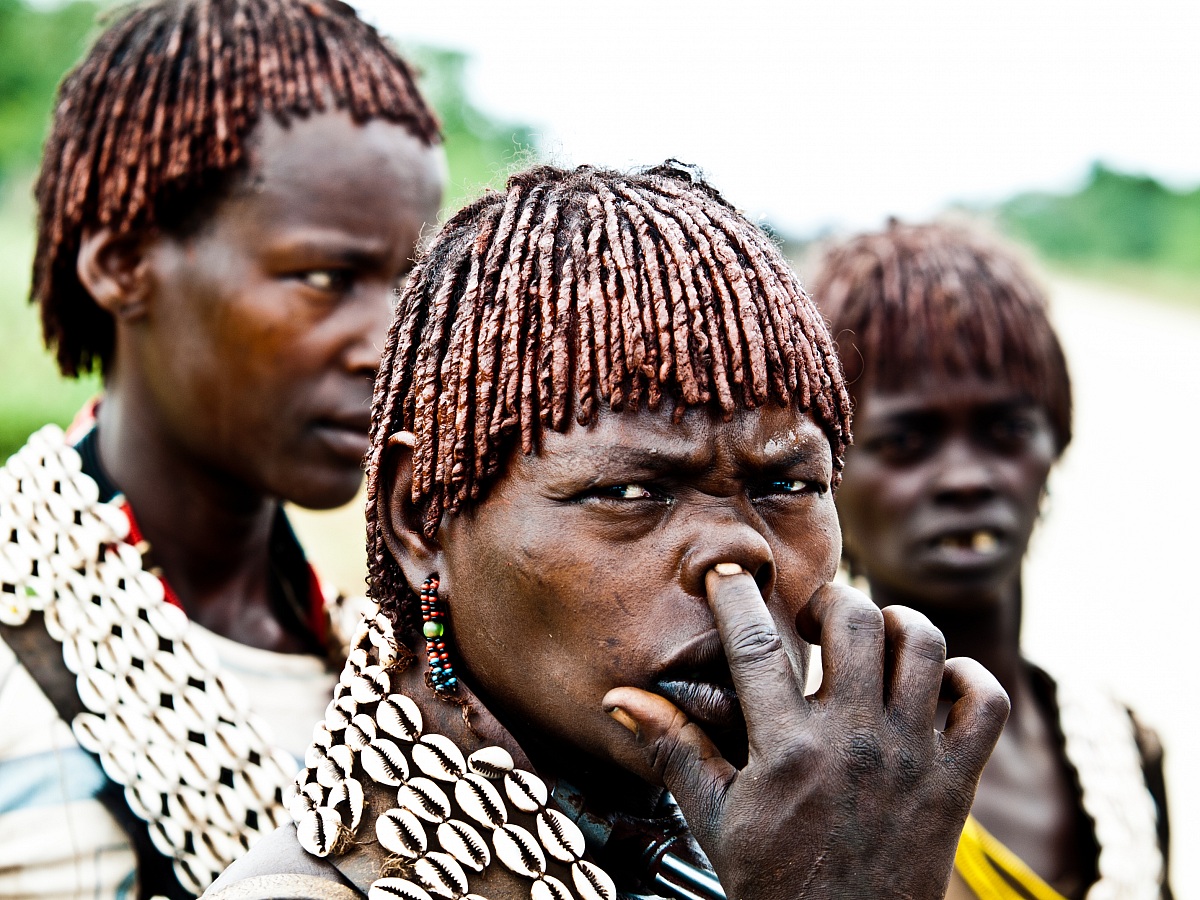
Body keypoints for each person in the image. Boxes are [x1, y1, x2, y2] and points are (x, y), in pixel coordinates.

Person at [206, 163, 1010, 900]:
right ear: (421, 517)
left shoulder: (750, 853)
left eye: (784, 485)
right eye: (631, 491)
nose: (740, 551)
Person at [0, 1, 444, 896]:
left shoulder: (395, 659)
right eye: (327, 278)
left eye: (411, 283)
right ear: (123, 264)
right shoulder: (19, 666)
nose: (391, 346)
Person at [808, 221, 1171, 900]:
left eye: (1006, 430)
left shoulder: (1119, 754)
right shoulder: (785, 774)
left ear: (1055, 445)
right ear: (827, 474)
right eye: (907, 440)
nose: (967, 478)